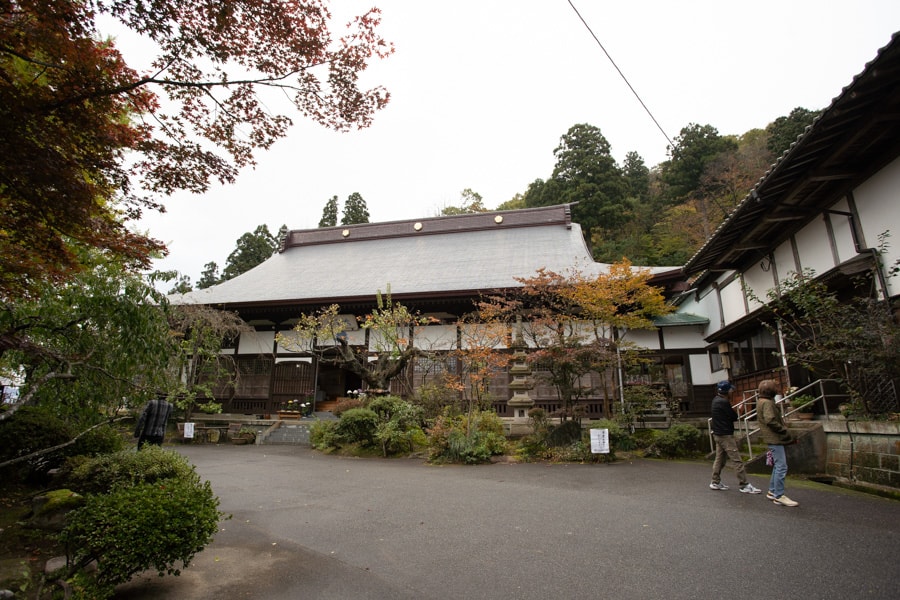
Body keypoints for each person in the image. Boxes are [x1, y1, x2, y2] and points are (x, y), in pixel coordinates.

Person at [709, 380, 761, 493]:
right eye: (731, 390)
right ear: (727, 391)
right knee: (736, 459)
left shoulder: (715, 400)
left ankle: (715, 481)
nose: (732, 392)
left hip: (717, 433)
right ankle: (744, 485)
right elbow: (733, 416)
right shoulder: (724, 402)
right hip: (725, 435)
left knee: (719, 459)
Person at [757, 379, 799, 507]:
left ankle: (772, 490)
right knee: (781, 466)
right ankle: (779, 495)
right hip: (775, 438)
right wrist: (785, 431)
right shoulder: (768, 403)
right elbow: (770, 420)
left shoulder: (760, 401)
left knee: (777, 465)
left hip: (771, 438)